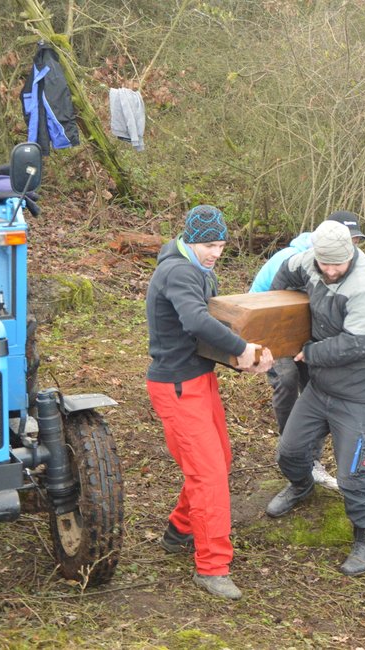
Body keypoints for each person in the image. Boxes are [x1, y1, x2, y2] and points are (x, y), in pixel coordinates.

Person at [146, 205, 274, 600]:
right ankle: (212, 567)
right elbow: (197, 322)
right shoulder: (180, 271)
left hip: (200, 379)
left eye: (220, 245)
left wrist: (236, 360)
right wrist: (244, 347)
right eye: (208, 245)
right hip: (178, 386)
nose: (215, 252)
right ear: (189, 239)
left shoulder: (199, 268)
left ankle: (180, 529)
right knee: (209, 476)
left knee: (220, 460)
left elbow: (205, 333)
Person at [265, 220, 365, 576]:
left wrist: (310, 353)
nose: (332, 270)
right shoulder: (309, 260)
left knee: (355, 475)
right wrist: (282, 319)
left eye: (339, 264)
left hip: (360, 393)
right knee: (290, 452)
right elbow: (284, 275)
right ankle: (302, 485)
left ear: (351, 253)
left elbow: (360, 343)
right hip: (322, 388)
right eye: (326, 264)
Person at [248, 210, 365, 491]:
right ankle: (290, 447)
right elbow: (263, 303)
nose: (350, 247)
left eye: (355, 241)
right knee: (288, 378)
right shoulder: (290, 259)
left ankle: (311, 458)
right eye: (346, 239)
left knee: (318, 383)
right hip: (273, 332)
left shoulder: (349, 267)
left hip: (311, 334)